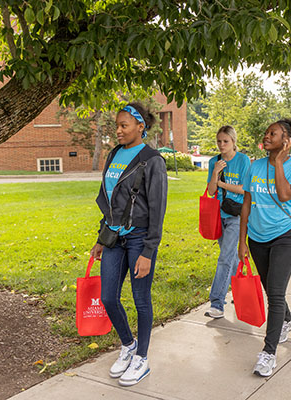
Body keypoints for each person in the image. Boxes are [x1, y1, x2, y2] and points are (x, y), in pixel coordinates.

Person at [90, 102, 168, 386]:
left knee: (140, 300)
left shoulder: (152, 160)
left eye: (124, 126)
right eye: (117, 126)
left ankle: (143, 359)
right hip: (113, 238)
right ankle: (128, 344)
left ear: (140, 127)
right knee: (108, 297)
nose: (118, 130)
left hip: (139, 239)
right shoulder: (114, 154)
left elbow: (158, 210)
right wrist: (102, 237)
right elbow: (108, 199)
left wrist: (149, 251)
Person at [238, 118, 291, 377]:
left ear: (286, 141)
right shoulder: (254, 166)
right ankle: (287, 319)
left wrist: (279, 162)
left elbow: (284, 194)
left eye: (273, 134)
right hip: (257, 237)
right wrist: (242, 240)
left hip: (285, 236)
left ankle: (268, 353)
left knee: (276, 294)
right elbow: (246, 204)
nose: (267, 136)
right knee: (271, 289)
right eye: (266, 132)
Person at [204, 126, 250, 319]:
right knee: (231, 257)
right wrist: (215, 172)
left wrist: (223, 183)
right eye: (219, 141)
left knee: (225, 258)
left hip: (237, 216)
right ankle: (239, 292)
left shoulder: (243, 160)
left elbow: (244, 189)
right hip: (218, 215)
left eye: (226, 141)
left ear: (233, 141)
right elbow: (211, 191)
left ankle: (217, 303)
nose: (222, 145)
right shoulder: (215, 161)